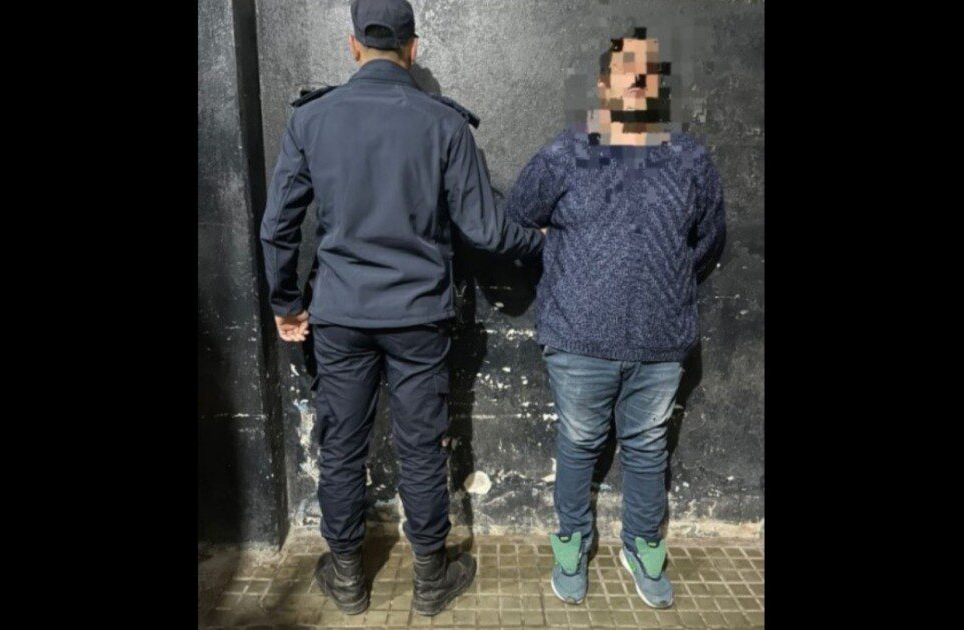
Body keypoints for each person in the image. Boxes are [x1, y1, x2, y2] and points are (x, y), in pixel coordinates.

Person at [258, 0, 545, 617]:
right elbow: (486, 230)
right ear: (414, 49)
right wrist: (539, 240)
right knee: (421, 446)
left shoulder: (312, 119)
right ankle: (432, 579)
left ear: (353, 45)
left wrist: (286, 303)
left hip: (340, 316)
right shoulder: (444, 124)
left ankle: (347, 577)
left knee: (342, 446)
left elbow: (277, 227)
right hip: (418, 318)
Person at [505, 27, 726, 609]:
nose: (638, 79)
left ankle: (643, 546)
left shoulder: (690, 161)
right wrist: (571, 275)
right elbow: (519, 219)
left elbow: (707, 242)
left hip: (661, 340)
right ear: (604, 84)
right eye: (627, 69)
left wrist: (663, 285)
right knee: (579, 442)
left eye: (649, 71)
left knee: (648, 447)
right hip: (579, 339)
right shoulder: (565, 155)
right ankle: (572, 544)